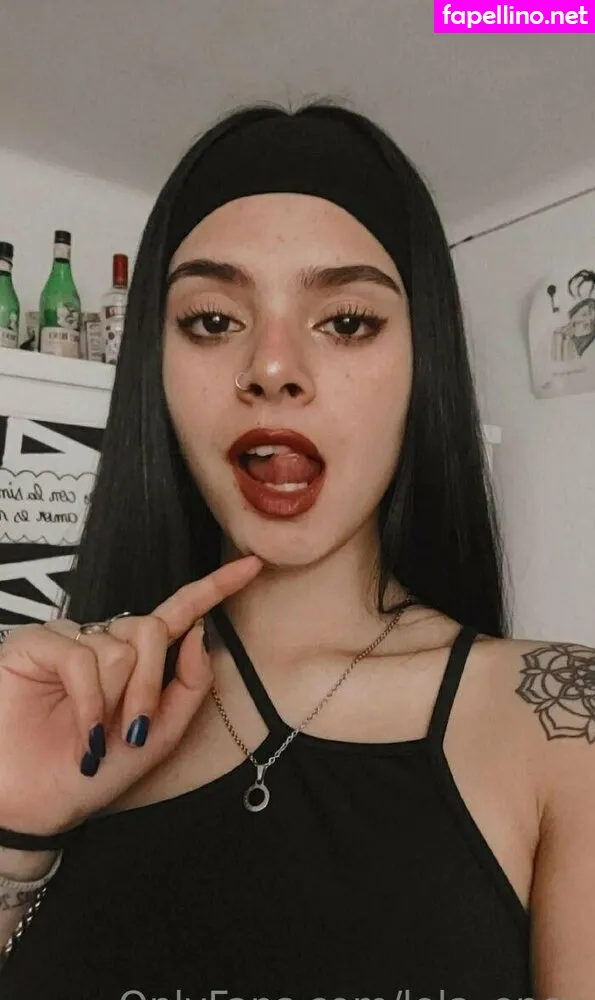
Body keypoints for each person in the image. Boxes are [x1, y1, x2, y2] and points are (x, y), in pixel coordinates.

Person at [0, 100, 592, 1000]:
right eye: (211, 320)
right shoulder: (64, 713)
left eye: (345, 321)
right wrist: (13, 836)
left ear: (422, 364)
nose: (271, 368)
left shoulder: (559, 724)